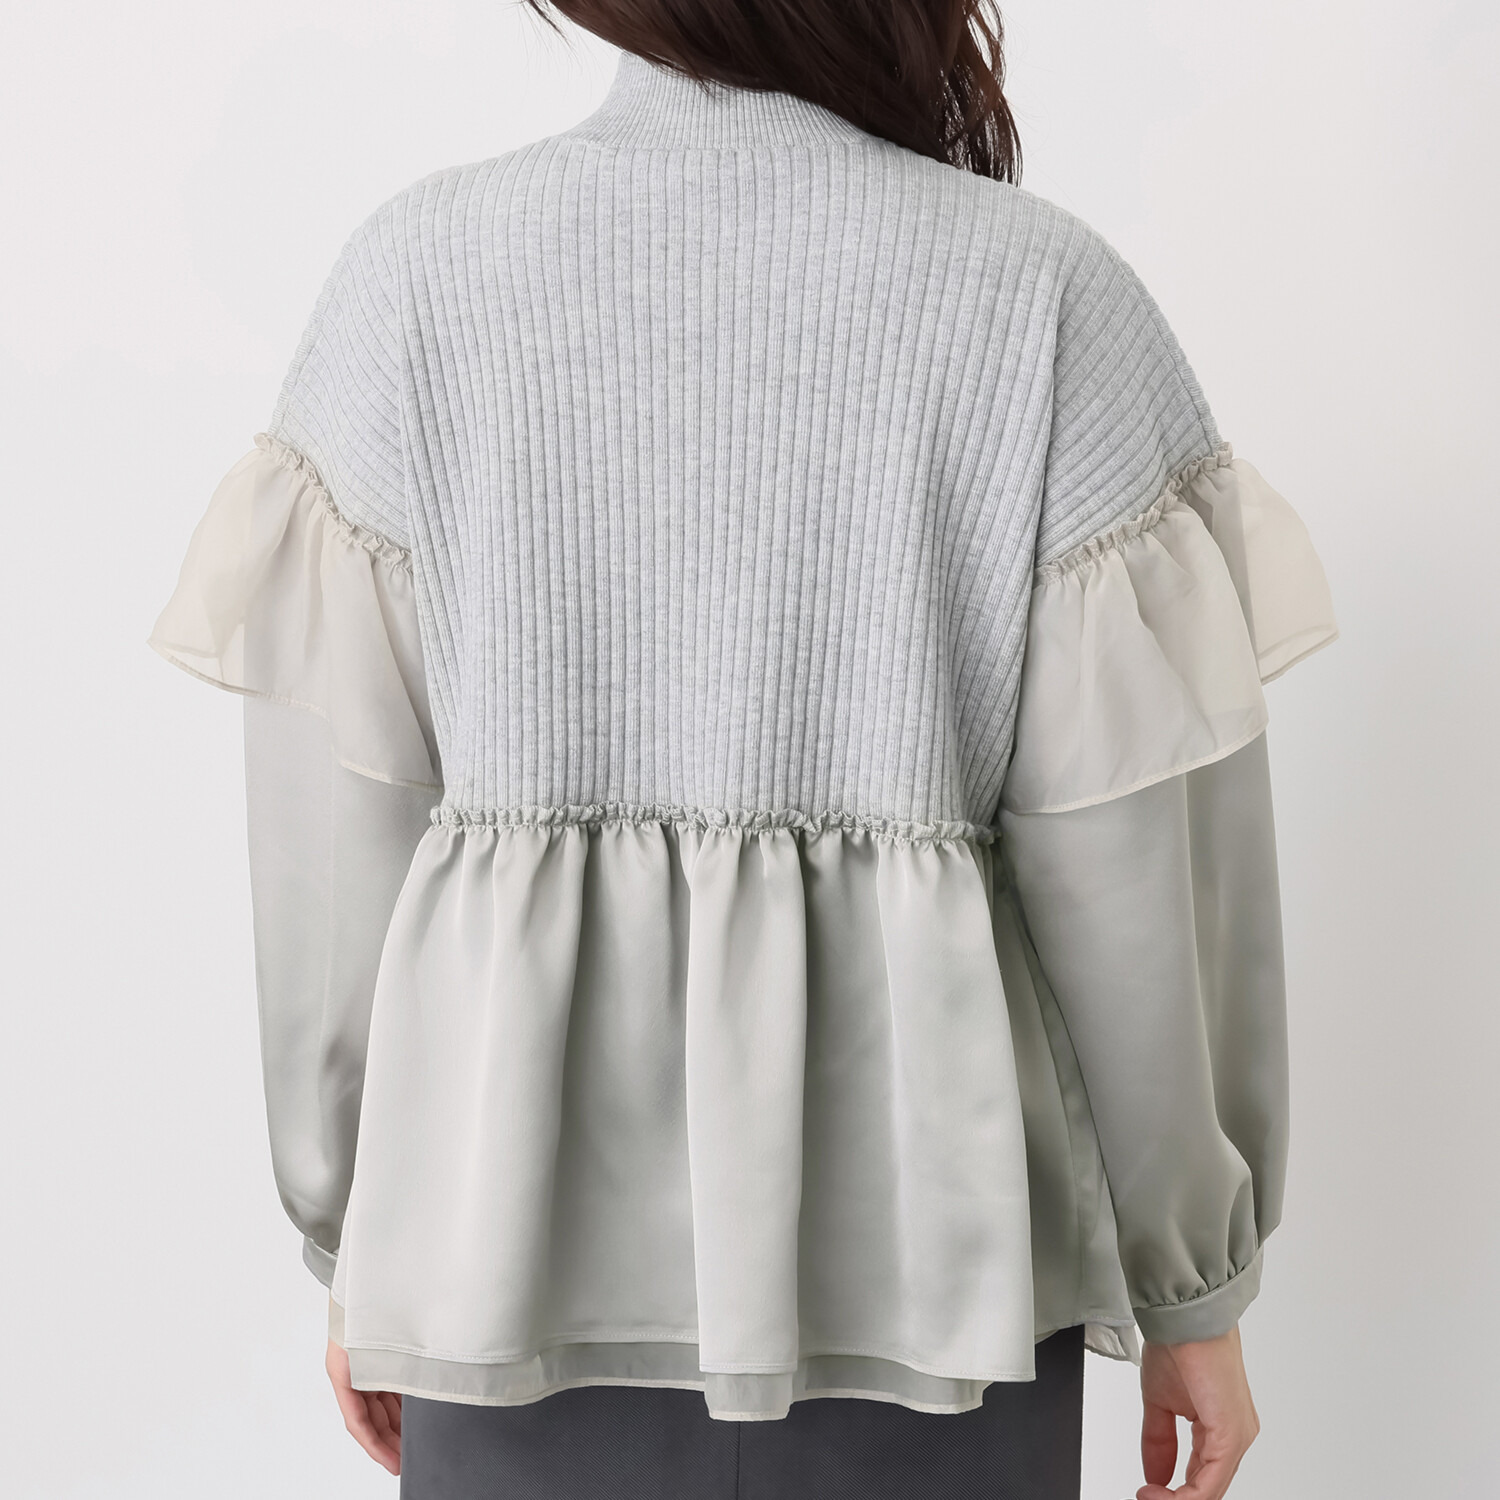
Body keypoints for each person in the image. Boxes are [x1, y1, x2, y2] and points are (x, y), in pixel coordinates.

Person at [148, 3, 1337, 1496]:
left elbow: (339, 842)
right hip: (935, 1283)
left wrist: (363, 1234)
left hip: (503, 1268)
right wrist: (1192, 1290)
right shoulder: (1044, 295)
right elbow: (1134, 881)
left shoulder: (415, 278)